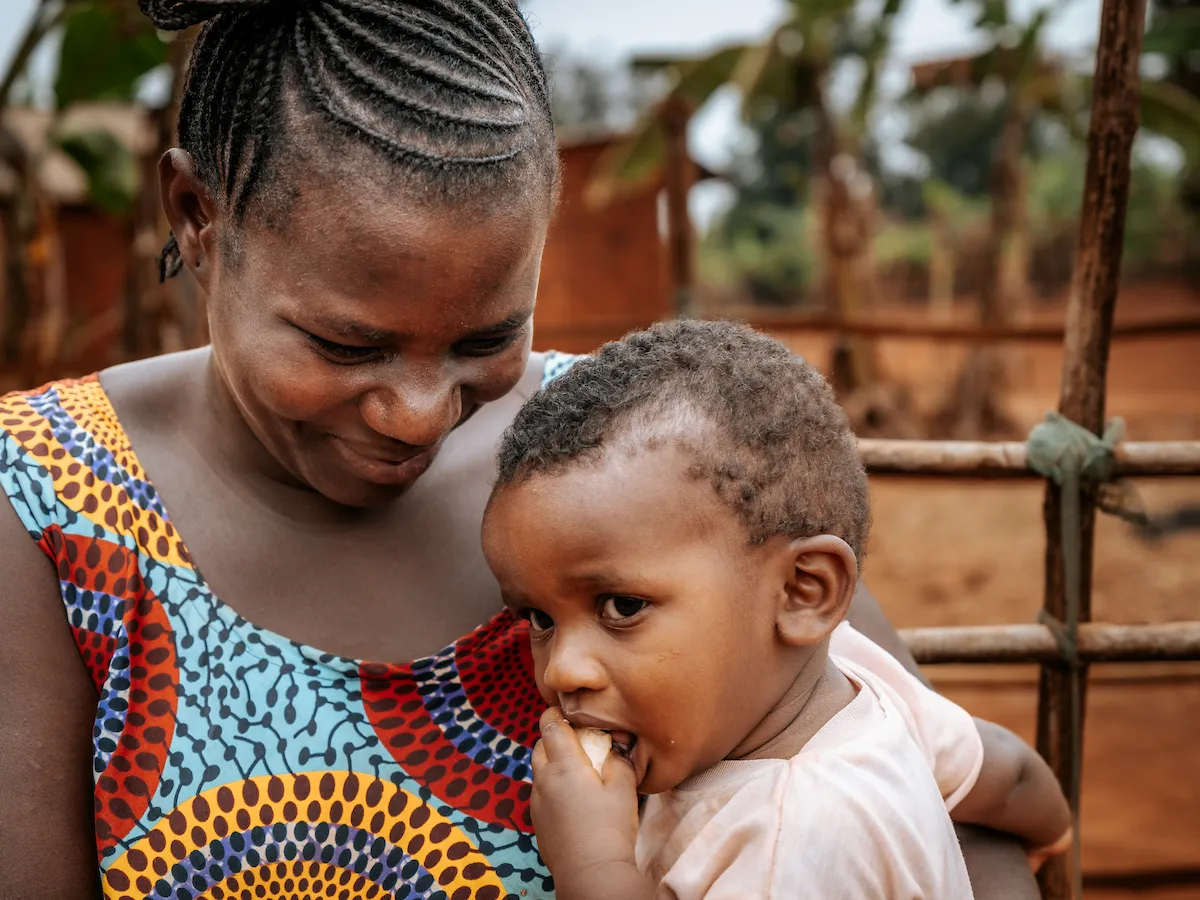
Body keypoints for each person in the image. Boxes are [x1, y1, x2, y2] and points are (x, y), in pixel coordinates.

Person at [0, 1, 1042, 898]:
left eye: (486, 339)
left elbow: (937, 790)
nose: (417, 414)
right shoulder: (44, 498)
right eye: (346, 345)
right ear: (196, 217)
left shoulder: (635, 452)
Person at [482, 320, 1073, 898]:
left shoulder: (790, 846)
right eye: (540, 619)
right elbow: (1010, 775)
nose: (562, 670)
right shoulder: (852, 672)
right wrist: (1054, 847)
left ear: (802, 593)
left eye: (623, 605)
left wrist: (593, 863)